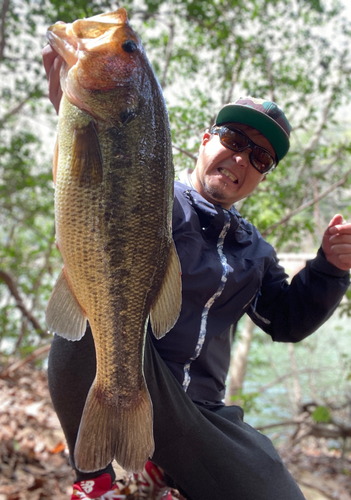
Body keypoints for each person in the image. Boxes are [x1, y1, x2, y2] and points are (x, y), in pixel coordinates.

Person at [42, 44, 351, 500]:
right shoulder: (155, 197)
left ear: (262, 177)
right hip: (138, 375)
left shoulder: (255, 251)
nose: (244, 158)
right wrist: (82, 118)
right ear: (207, 139)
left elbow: (287, 321)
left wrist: (330, 268)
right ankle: (96, 479)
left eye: (261, 158)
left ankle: (161, 469)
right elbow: (102, 186)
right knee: (96, 303)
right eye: (235, 140)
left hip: (201, 415)